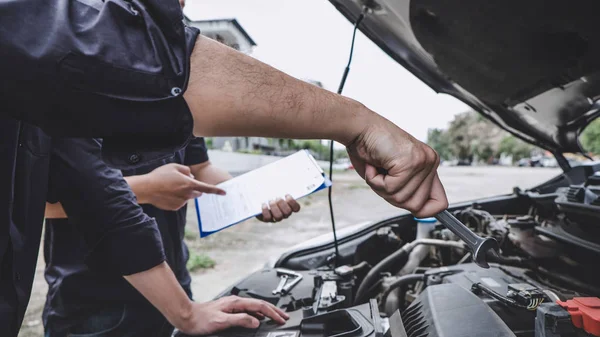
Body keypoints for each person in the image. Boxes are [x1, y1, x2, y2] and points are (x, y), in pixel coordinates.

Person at [0, 1, 447, 335]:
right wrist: (145, 188)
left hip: (166, 274)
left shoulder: (166, 118)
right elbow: (53, 201)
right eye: (146, 17)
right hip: (92, 296)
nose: (173, 19)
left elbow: (124, 193)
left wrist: (253, 196)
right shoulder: (58, 86)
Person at [42, 136, 300, 337]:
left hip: (174, 284)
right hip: (96, 302)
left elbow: (201, 167)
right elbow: (37, 201)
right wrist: (148, 188)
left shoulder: (177, 93)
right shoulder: (72, 91)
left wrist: (251, 198)